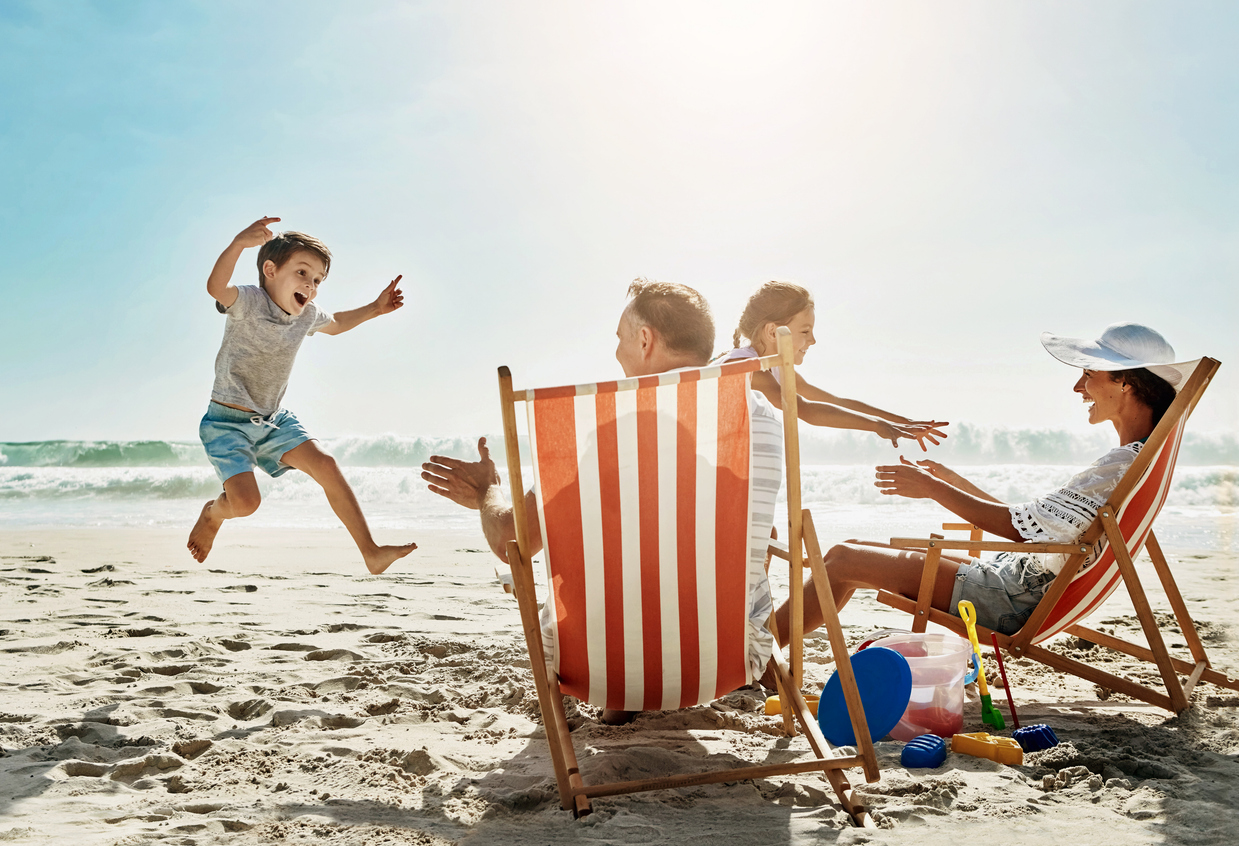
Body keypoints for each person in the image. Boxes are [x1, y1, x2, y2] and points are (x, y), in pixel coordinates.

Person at [420, 279, 781, 724]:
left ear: (645, 339)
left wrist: (486, 491)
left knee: (616, 550)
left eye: (620, 338)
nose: (617, 352)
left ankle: (623, 699)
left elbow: (513, 539)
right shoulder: (759, 416)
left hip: (605, 665)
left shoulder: (613, 424)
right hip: (728, 656)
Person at [772, 322, 1193, 643]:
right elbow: (1038, 529)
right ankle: (766, 649)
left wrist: (933, 489)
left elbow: (1016, 528)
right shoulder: (1137, 463)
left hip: (1008, 599)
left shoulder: (1118, 467)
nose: (1078, 385)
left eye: (1087, 373)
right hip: (1014, 582)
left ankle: (759, 653)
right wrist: (954, 481)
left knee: (844, 559)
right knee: (840, 559)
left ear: (1125, 381)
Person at [187, 217, 417, 574]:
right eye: (303, 273)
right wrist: (237, 244)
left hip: (274, 420)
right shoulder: (248, 301)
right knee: (246, 504)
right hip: (226, 423)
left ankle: (371, 552)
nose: (310, 286)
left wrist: (376, 307)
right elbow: (216, 287)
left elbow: (337, 323)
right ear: (270, 270)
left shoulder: (306, 315)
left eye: (318, 281)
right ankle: (213, 513)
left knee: (326, 465)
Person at [722, 281, 947, 450]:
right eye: (805, 331)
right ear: (773, 332)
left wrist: (901, 421)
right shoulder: (745, 366)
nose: (813, 340)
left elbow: (834, 402)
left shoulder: (776, 368)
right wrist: (877, 426)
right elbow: (804, 409)